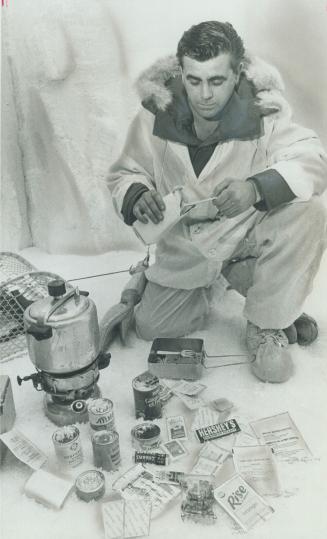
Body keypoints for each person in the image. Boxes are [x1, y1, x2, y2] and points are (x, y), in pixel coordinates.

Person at [107, 21, 327, 383]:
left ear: (237, 73)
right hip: (185, 248)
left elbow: (312, 159)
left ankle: (267, 321)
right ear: (181, 72)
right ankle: (253, 288)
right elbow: (125, 172)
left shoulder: (263, 109)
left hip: (242, 234)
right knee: (150, 328)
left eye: (217, 80)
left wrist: (255, 189)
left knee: (310, 211)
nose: (204, 94)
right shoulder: (154, 112)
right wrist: (137, 193)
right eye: (194, 80)